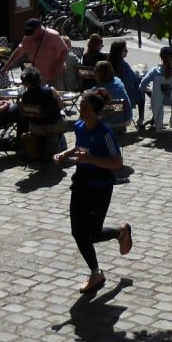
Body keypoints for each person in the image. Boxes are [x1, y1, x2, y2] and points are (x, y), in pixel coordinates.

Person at [53, 89, 133, 294]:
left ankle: (120, 232)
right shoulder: (80, 126)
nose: (81, 109)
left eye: (85, 107)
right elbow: (80, 148)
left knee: (92, 233)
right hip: (81, 182)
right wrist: (65, 153)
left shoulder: (105, 133)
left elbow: (117, 162)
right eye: (81, 106)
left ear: (95, 112)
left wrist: (92, 160)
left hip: (100, 186)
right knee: (77, 232)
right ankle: (96, 273)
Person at [4, 18, 70, 85]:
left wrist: (57, 67)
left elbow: (64, 50)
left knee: (54, 94)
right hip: (39, 76)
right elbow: (19, 51)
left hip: (54, 75)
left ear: (39, 29)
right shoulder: (28, 37)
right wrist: (6, 66)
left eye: (32, 32)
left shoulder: (53, 35)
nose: (30, 35)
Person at [107, 40, 145, 126]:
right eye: (125, 49)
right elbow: (130, 85)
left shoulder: (108, 64)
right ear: (119, 51)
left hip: (109, 99)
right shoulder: (124, 66)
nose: (127, 51)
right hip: (125, 100)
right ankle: (141, 119)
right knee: (142, 93)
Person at [89, 60, 133, 129]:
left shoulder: (98, 89)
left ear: (99, 74)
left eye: (95, 71)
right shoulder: (118, 80)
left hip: (108, 122)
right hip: (126, 118)